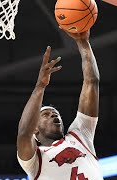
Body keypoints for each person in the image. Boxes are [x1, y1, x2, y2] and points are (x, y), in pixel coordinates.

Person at [17, 30, 103, 179]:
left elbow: (92, 83)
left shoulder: (80, 136)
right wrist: (40, 86)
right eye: (45, 114)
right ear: (35, 129)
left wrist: (83, 43)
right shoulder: (35, 160)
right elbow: (24, 133)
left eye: (55, 112)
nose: (53, 114)